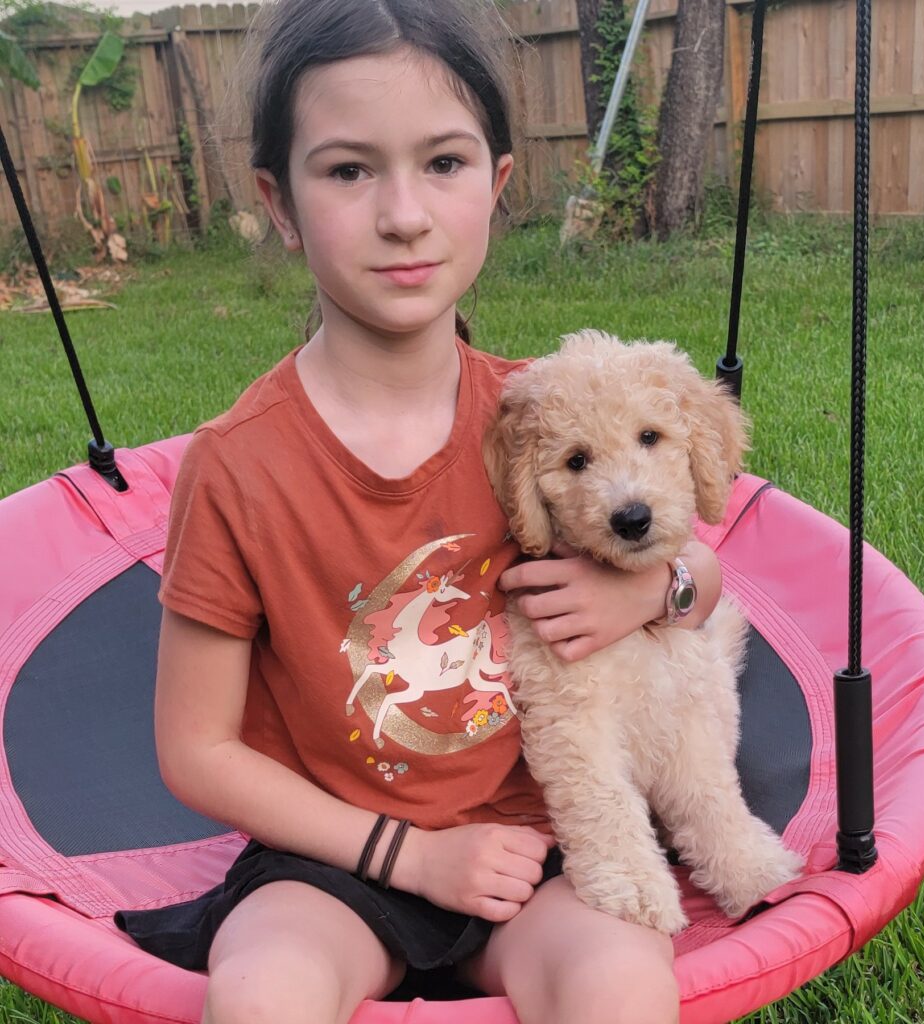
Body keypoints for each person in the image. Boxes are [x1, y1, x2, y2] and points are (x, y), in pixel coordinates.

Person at [114, 1, 724, 1022]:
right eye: (348, 171)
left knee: (621, 982)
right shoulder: (239, 466)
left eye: (442, 163)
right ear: (278, 200)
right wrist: (414, 855)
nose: (403, 214)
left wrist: (650, 593)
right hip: (336, 862)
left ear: (496, 186)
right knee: (264, 990)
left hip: (547, 840)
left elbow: (702, 572)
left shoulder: (547, 418)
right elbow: (197, 748)